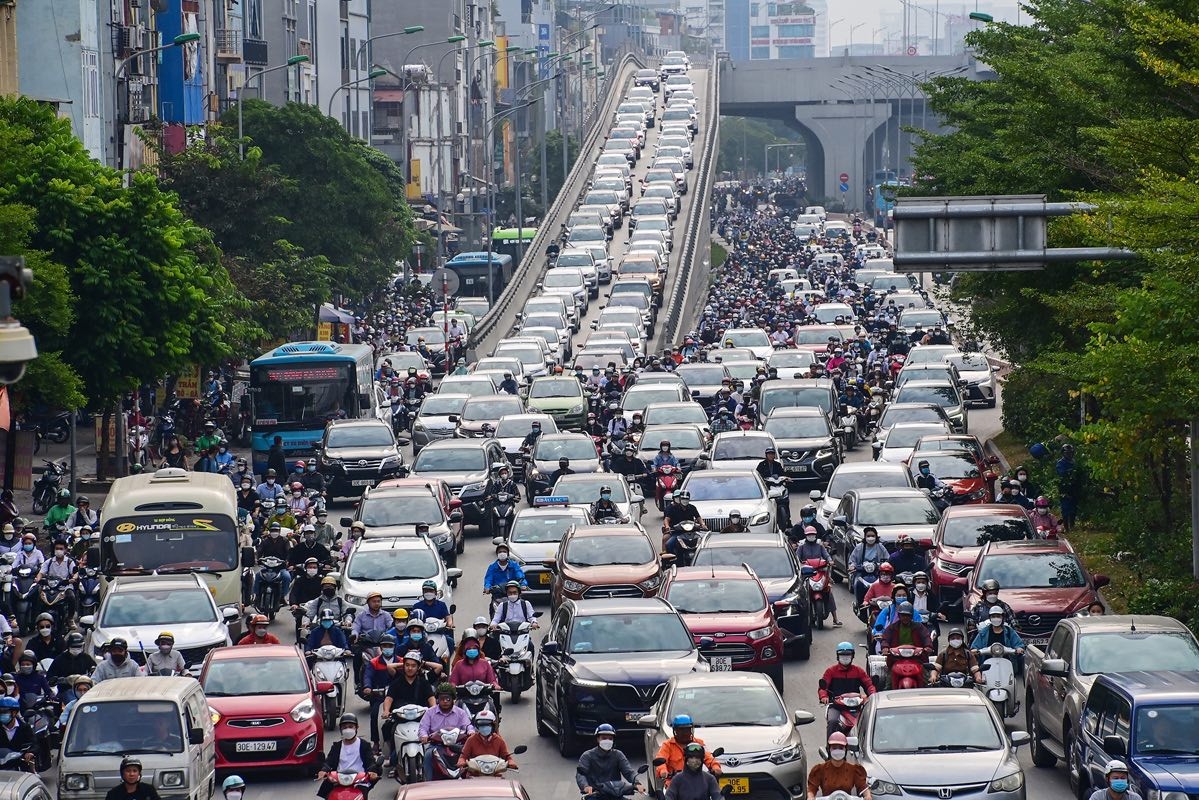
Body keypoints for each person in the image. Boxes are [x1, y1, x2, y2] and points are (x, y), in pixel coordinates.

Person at [317, 713, 381, 798]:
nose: (348, 729)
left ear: (356, 728)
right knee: (327, 794)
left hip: (359, 780)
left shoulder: (364, 745)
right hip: (339, 780)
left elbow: (370, 761)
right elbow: (329, 761)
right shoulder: (337, 746)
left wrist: (372, 772)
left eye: (350, 726)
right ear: (341, 729)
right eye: (345, 727)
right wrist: (323, 770)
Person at [817, 642, 875, 735]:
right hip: (836, 706)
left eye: (848, 654)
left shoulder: (858, 671)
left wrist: (872, 695)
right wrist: (824, 697)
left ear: (852, 656)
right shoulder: (831, 671)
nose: (845, 657)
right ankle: (830, 747)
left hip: (856, 705)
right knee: (832, 722)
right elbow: (822, 688)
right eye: (842, 655)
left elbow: (869, 685)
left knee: (870, 721)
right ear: (838, 656)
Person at [420, 683, 473, 780]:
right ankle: (428, 782)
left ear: (453, 699)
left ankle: (470, 781)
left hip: (457, 745)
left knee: (471, 756)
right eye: (441, 698)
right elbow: (423, 728)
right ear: (437, 700)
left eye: (448, 698)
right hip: (436, 745)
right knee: (428, 756)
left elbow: (468, 725)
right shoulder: (429, 712)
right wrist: (424, 736)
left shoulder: (460, 712)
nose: (445, 701)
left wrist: (470, 732)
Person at [577, 723, 643, 796]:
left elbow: (628, 772)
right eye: (604, 738)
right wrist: (585, 786)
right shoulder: (587, 756)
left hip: (616, 793)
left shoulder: (618, 755)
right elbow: (581, 774)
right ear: (598, 739)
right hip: (594, 794)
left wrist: (637, 783)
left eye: (610, 738)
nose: (607, 740)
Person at [794, 526, 841, 625]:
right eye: (809, 535)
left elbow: (826, 556)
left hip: (820, 572)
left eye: (813, 535)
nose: (811, 536)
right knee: (801, 594)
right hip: (806, 574)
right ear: (806, 536)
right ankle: (801, 618)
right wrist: (799, 564)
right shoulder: (801, 547)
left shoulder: (820, 546)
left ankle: (835, 618)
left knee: (828, 591)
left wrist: (830, 561)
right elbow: (796, 558)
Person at [653, 714, 722, 782]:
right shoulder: (668, 745)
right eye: (681, 730)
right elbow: (661, 760)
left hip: (697, 782)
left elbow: (708, 758)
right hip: (674, 783)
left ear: (691, 730)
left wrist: (715, 767)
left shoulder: (699, 743)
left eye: (687, 730)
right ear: (675, 731)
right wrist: (663, 771)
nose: (685, 733)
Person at [806, 732, 871, 800]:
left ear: (846, 749)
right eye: (834, 748)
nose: (837, 750)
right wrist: (811, 797)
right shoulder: (820, 769)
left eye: (841, 748)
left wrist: (867, 795)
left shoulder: (854, 770)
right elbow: (811, 788)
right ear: (829, 749)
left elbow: (863, 786)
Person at [969, 605, 1026, 676]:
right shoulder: (983, 632)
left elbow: (1018, 644)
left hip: (1007, 664)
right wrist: (975, 650)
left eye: (998, 616)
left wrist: (1018, 648)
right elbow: (975, 646)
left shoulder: (1009, 631)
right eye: (993, 616)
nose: (996, 618)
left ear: (1003, 617)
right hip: (987, 665)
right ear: (990, 618)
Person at [457, 707, 515, 773]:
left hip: (495, 775)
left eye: (487, 725)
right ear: (477, 726)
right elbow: (463, 756)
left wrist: (511, 762)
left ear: (493, 725)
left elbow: (507, 756)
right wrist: (461, 761)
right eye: (481, 725)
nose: (484, 728)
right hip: (474, 775)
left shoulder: (499, 740)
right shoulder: (471, 740)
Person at [849, 526, 889, 604]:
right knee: (857, 583)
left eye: (873, 536)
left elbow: (887, 559)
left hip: (878, 572)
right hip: (862, 572)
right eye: (868, 536)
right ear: (865, 537)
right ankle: (859, 603)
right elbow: (852, 560)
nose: (870, 538)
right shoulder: (859, 547)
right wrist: (852, 566)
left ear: (876, 537)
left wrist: (884, 564)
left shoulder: (880, 547)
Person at [410, 580, 454, 652]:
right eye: (426, 591)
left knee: (450, 641)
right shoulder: (417, 606)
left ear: (435, 592)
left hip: (439, 632)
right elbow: (412, 620)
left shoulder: (441, 605)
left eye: (430, 590)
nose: (428, 593)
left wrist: (450, 623)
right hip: (422, 634)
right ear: (423, 592)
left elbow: (447, 616)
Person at [1056, 443, 1082, 531]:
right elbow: (1061, 474)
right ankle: (1067, 526)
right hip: (1064, 489)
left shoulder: (1074, 462)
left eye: (1071, 453)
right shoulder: (1060, 463)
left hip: (1074, 488)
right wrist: (1070, 472)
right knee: (1065, 508)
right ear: (1063, 453)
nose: (1069, 455)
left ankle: (1072, 524)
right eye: (1067, 453)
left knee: (1073, 508)